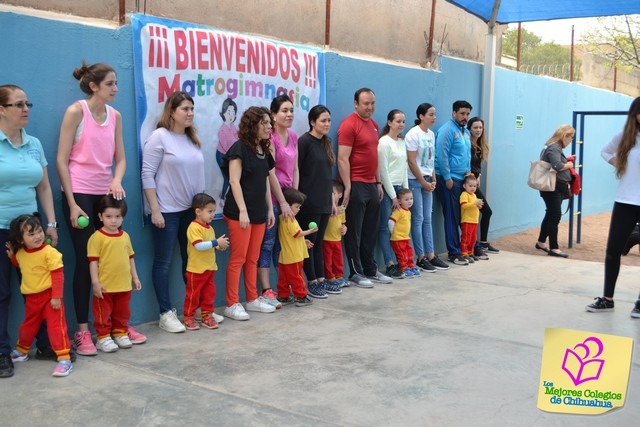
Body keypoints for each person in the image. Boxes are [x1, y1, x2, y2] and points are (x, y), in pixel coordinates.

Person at [57, 61, 128, 355]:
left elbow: (120, 159)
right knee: (88, 263)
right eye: (110, 84)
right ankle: (83, 332)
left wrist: (116, 180)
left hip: (106, 196)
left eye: (116, 83)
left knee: (113, 261)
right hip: (80, 196)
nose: (115, 89)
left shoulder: (116, 116)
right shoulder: (76, 111)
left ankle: (112, 328)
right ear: (94, 86)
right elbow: (62, 160)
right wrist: (72, 205)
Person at [0, 84, 61, 378]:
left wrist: (50, 224)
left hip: (32, 233)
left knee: (40, 292)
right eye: (18, 104)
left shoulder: (34, 144)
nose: (26, 109)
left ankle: (46, 345)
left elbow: (45, 186)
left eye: (28, 104)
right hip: (1, 231)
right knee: (1, 293)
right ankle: (2, 353)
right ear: (1, 109)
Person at [141, 91, 205, 334]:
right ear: (172, 112)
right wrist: (155, 210)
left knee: (192, 262)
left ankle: (193, 310)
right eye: (184, 109)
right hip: (166, 211)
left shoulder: (192, 139)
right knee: (163, 263)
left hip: (191, 212)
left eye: (191, 109)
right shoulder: (159, 138)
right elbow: (147, 174)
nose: (189, 113)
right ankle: (166, 313)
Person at [222, 106, 282, 321]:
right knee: (238, 259)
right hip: (240, 214)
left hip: (258, 213)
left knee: (253, 259)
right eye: (264, 123)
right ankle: (231, 303)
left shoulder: (264, 150)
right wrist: (242, 211)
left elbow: (265, 180)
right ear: (252, 125)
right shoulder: (239, 148)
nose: (269, 127)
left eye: (269, 123)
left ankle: (252, 298)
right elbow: (234, 181)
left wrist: (269, 209)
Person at [586, 97, 640, 317]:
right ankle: (607, 299)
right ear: (634, 114)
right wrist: (618, 162)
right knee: (613, 250)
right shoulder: (626, 137)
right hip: (625, 200)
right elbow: (605, 152)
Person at [337, 88, 392, 287]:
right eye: (366, 103)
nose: (370, 107)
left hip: (371, 184)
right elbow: (342, 158)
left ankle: (371, 269)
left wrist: (378, 182)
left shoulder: (374, 125)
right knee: (355, 231)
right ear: (356, 104)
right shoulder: (349, 125)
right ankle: (355, 272)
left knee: (370, 230)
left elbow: (373, 156)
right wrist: (349, 186)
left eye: (372, 103)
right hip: (356, 184)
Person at [6, 214, 72, 377]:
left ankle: (64, 358)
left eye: (39, 231)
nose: (38, 236)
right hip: (31, 299)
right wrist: (12, 256)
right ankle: (22, 351)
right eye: (31, 234)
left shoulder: (50, 253)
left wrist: (56, 296)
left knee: (57, 327)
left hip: (50, 298)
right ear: (21, 240)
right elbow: (21, 263)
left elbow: (58, 274)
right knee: (28, 326)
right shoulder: (21, 253)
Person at [88, 196, 143, 352]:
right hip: (104, 286)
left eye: (117, 216)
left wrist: (135, 277)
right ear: (100, 217)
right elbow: (93, 261)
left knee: (122, 312)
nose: (113, 221)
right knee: (102, 314)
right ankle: (103, 338)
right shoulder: (96, 238)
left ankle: (120, 333)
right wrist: (95, 282)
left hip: (124, 285)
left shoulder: (125, 236)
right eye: (109, 216)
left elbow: (130, 258)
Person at [257, 95, 297, 306]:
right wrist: (281, 202)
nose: (289, 114)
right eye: (284, 110)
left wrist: (294, 200)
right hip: (273, 200)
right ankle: (266, 289)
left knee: (286, 245)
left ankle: (285, 286)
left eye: (291, 110)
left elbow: (295, 168)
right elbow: (270, 172)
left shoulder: (294, 136)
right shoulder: (269, 137)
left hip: (289, 201)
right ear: (273, 114)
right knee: (269, 243)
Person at [297, 105, 341, 297]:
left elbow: (326, 176)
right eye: (323, 120)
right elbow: (297, 172)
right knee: (309, 244)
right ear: (312, 122)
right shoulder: (304, 142)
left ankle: (322, 279)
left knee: (319, 244)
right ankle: (312, 281)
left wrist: (332, 200)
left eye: (328, 120)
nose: (326, 124)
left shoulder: (326, 142)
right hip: (309, 203)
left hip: (324, 201)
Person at [405, 103, 449, 273]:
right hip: (415, 180)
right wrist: (422, 182)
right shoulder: (413, 134)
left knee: (427, 219)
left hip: (428, 179)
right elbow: (411, 161)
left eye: (435, 114)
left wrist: (433, 178)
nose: (434, 117)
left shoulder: (431, 134)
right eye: (431, 114)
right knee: (418, 218)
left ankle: (431, 254)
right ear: (421, 116)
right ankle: (420, 256)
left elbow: (430, 159)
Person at [434, 100, 473, 266]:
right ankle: (454, 253)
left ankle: (463, 250)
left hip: (462, 179)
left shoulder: (465, 132)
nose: (465, 117)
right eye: (462, 113)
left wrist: (469, 175)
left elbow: (467, 155)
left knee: (460, 215)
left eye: (467, 114)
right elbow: (441, 155)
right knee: (451, 215)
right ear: (454, 113)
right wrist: (447, 177)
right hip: (449, 180)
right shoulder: (447, 130)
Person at [183, 193, 229, 330]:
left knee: (209, 294)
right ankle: (188, 317)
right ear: (198, 211)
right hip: (195, 270)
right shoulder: (193, 227)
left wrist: (218, 246)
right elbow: (199, 246)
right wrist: (216, 242)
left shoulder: (210, 228)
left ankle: (207, 315)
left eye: (214, 211)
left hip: (209, 268)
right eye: (209, 211)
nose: (212, 214)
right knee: (193, 295)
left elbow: (209, 245)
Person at [534, 124, 575, 259]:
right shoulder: (554, 147)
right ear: (565, 136)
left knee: (550, 213)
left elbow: (556, 163)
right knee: (555, 215)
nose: (571, 141)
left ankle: (541, 242)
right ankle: (554, 248)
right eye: (571, 137)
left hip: (556, 187)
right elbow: (557, 166)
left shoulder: (555, 147)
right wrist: (568, 164)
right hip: (552, 188)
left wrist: (566, 160)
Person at [377, 109, 408, 279]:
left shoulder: (402, 142)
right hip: (389, 191)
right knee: (384, 227)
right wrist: (393, 196)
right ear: (389, 123)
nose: (401, 124)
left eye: (403, 121)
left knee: (399, 227)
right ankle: (390, 264)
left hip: (399, 189)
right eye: (398, 121)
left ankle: (403, 261)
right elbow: (384, 171)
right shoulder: (384, 142)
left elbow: (404, 168)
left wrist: (405, 192)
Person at [276, 188, 316, 307]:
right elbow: (297, 233)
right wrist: (310, 231)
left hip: (286, 256)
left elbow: (293, 236)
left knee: (284, 278)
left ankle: (283, 296)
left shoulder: (283, 218)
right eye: (297, 206)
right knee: (296, 276)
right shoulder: (289, 218)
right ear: (287, 205)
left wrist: (304, 241)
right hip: (293, 256)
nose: (298, 210)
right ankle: (301, 296)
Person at [468, 117, 499, 258]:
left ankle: (483, 243)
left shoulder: (480, 145)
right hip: (467, 185)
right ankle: (476, 245)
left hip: (474, 182)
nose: (478, 130)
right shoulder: (467, 145)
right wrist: (471, 180)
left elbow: (477, 166)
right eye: (475, 127)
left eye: (480, 127)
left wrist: (478, 176)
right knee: (486, 211)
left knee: (485, 212)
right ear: (469, 129)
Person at [388, 189, 420, 278]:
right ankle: (403, 268)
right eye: (406, 199)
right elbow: (391, 221)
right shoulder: (398, 211)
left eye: (411, 198)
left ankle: (410, 267)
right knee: (402, 254)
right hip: (398, 238)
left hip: (405, 237)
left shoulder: (408, 212)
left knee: (409, 253)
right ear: (399, 201)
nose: (409, 201)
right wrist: (393, 232)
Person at [323, 181, 348, 288]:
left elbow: (343, 223)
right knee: (327, 260)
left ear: (340, 194)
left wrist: (344, 228)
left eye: (333, 193)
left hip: (337, 240)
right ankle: (330, 278)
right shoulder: (326, 208)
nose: (330, 196)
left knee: (338, 260)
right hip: (326, 240)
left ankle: (339, 277)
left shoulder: (342, 210)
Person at [216, 98, 238, 200]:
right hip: (222, 155)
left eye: (233, 112)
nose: (231, 114)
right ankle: (223, 197)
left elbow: (237, 138)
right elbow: (225, 147)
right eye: (228, 112)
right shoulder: (222, 129)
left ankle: (224, 195)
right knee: (228, 178)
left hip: (230, 156)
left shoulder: (233, 126)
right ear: (223, 113)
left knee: (231, 177)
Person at [459, 174, 484, 263]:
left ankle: (470, 252)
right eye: (470, 186)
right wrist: (474, 204)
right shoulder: (464, 194)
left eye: (475, 186)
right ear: (464, 186)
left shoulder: (474, 195)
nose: (473, 188)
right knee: (466, 238)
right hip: (467, 221)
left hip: (474, 221)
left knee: (473, 238)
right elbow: (464, 205)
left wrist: (479, 205)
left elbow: (476, 205)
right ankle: (464, 253)